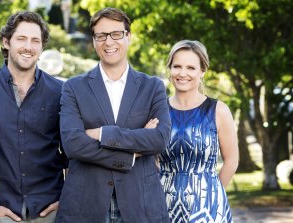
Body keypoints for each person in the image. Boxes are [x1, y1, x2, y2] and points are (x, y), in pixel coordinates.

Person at [56, 7, 171, 223]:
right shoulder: (73, 87)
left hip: (140, 204)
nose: (108, 42)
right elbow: (72, 144)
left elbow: (159, 139)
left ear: (128, 36)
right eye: (101, 35)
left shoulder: (153, 87)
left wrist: (101, 133)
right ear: (94, 41)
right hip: (86, 205)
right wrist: (130, 154)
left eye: (116, 34)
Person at [0, 11, 67, 222]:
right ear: (6, 42)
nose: (28, 47)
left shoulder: (60, 91)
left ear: (42, 47)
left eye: (35, 41)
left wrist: (66, 199)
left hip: (50, 210)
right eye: (21, 38)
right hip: (3, 210)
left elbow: (72, 152)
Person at [158, 40, 239, 223]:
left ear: (202, 71)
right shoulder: (157, 111)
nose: (183, 73)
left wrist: (213, 195)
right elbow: (151, 159)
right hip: (163, 204)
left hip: (208, 208)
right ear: (170, 69)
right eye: (177, 66)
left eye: (191, 68)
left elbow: (232, 160)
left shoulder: (218, 110)